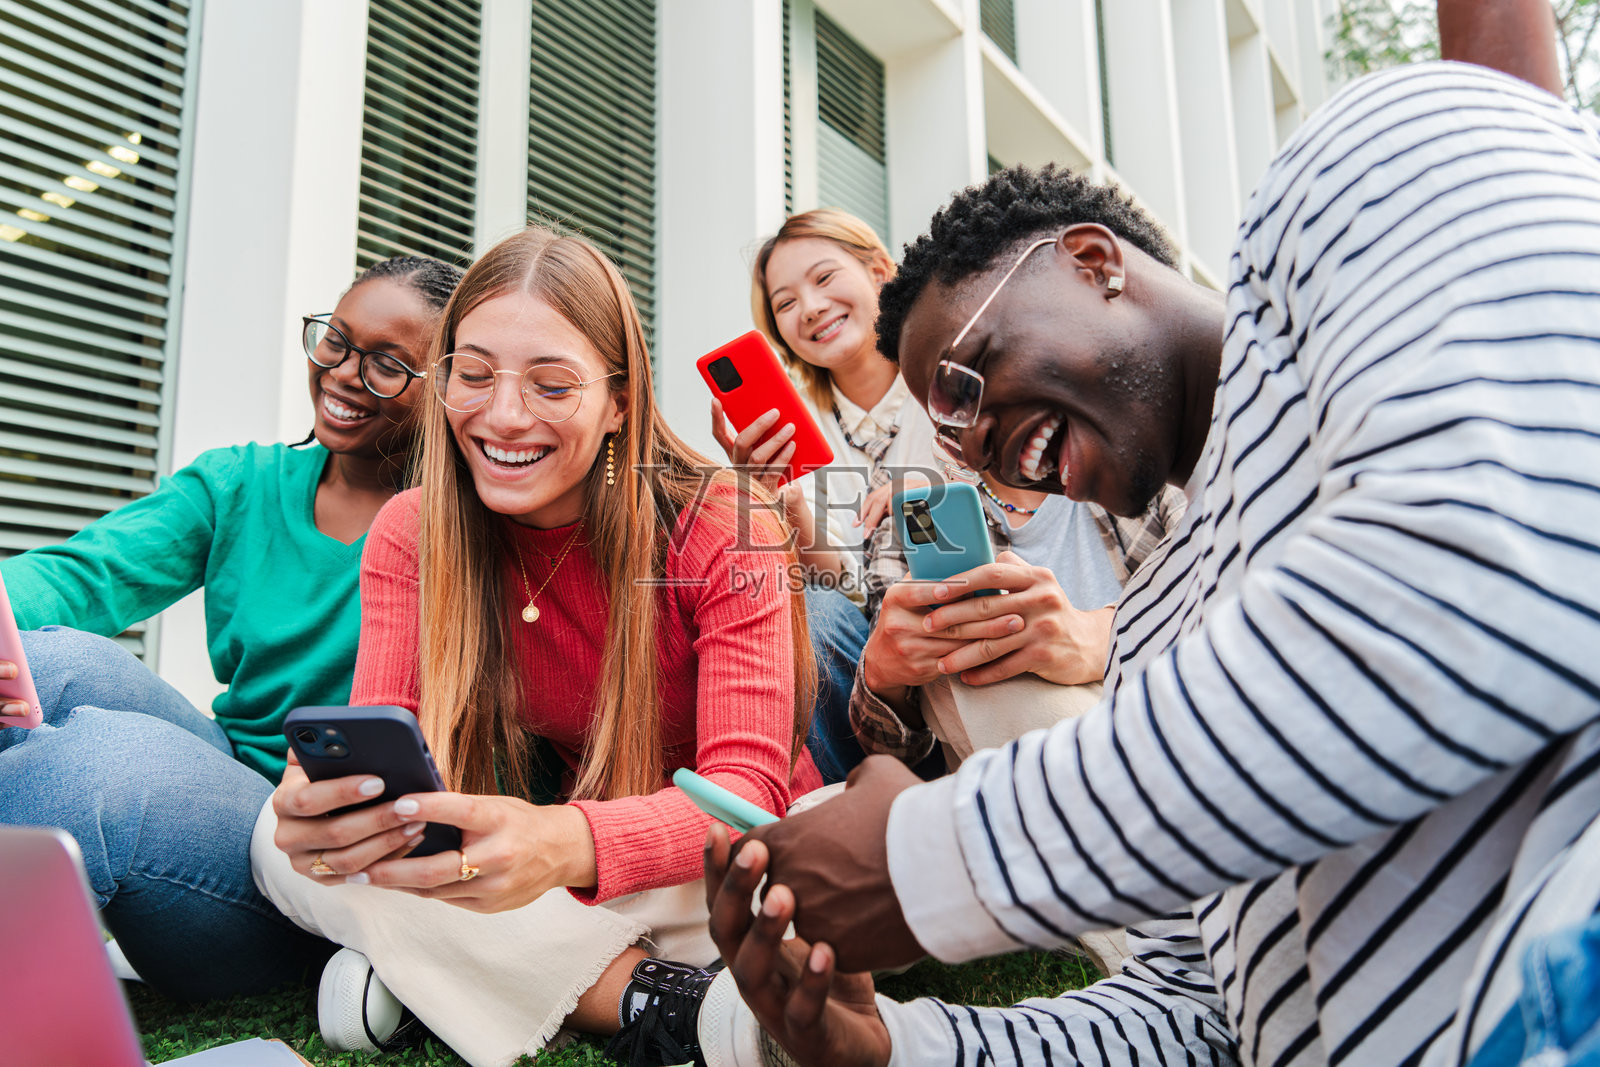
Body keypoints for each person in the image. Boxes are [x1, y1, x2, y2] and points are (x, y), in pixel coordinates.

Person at [704, 46, 1600, 1067]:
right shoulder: (1164, 626)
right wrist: (901, 1043)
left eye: (968, 380)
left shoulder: (1356, 172)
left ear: (1092, 262)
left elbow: (1498, 577)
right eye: (944, 428)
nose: (973, 438)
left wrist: (931, 856)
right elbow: (1198, 1004)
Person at [253, 225, 821, 1067]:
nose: (503, 415)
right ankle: (663, 1003)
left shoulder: (726, 522)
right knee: (276, 837)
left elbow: (744, 791)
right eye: (472, 376)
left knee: (804, 874)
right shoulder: (412, 531)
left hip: (723, 860)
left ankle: (435, 978)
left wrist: (561, 842)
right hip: (547, 881)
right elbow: (387, 733)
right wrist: (332, 807)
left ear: (620, 398)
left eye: (552, 385)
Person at [0, 255, 461, 1000]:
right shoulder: (242, 482)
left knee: (95, 766)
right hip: (222, 783)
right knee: (49, 663)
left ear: (442, 390)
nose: (344, 374)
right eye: (336, 342)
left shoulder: (462, 531)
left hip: (316, 872)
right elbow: (85, 576)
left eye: (385, 365)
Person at [714, 209, 942, 783]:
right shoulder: (799, 427)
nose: (810, 309)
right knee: (801, 609)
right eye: (784, 303)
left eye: (823, 279)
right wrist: (779, 502)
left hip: (960, 629)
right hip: (871, 672)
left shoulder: (948, 393)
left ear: (880, 272)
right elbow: (842, 596)